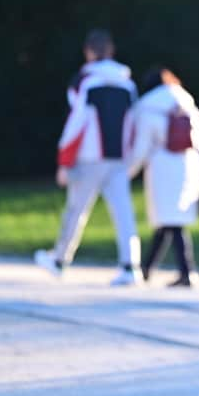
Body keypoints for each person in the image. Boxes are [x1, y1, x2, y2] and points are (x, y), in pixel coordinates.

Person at [34, 29, 142, 286]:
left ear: (89, 52)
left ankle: (60, 260)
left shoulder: (85, 81)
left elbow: (77, 122)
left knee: (75, 211)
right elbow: (134, 123)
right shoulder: (128, 84)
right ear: (112, 50)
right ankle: (130, 266)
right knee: (124, 213)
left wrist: (64, 159)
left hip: (89, 158)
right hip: (118, 159)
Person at [128, 68, 199, 287]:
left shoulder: (148, 107)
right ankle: (147, 269)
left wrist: (127, 171)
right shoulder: (188, 103)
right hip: (188, 166)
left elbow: (141, 147)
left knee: (171, 222)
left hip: (162, 168)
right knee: (170, 221)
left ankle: (185, 271)